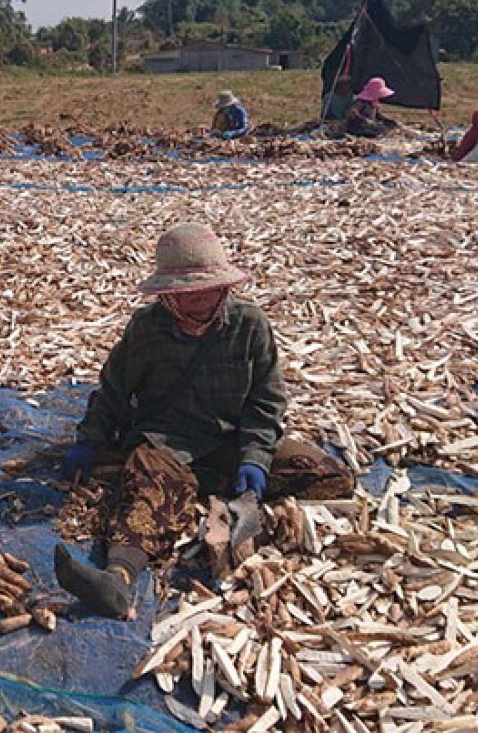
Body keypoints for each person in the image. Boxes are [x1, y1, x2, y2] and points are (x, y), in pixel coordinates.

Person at [54, 222, 356, 618]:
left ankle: (205, 486)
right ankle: (117, 578)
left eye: (209, 290)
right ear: (167, 295)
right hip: (167, 442)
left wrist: (255, 458)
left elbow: (266, 403)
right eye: (188, 294)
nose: (201, 301)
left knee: (329, 475)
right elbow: (112, 392)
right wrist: (88, 442)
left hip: (230, 440)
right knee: (147, 490)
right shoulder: (146, 329)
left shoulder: (250, 325)